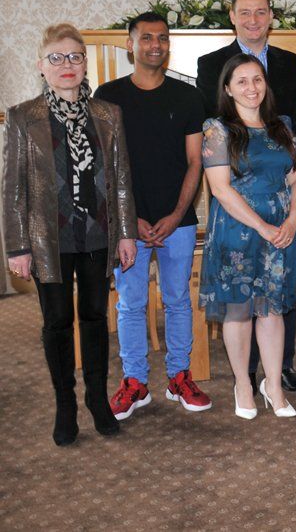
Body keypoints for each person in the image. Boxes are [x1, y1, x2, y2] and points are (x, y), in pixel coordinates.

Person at [4, 23, 138, 445]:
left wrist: (126, 233)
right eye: (57, 58)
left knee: (97, 319)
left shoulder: (107, 114)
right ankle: (65, 404)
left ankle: (98, 400)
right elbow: (13, 187)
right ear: (42, 66)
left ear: (84, 64)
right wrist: (18, 245)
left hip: (99, 236)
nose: (67, 65)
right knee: (57, 322)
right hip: (49, 240)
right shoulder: (24, 117)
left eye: (75, 57)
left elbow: (120, 180)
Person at [94, 12, 212, 420]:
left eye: (162, 38)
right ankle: (135, 382)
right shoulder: (107, 96)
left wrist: (177, 214)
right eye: (146, 38)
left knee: (179, 301)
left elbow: (195, 162)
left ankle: (179, 375)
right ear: (131, 44)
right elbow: (104, 168)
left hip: (176, 220)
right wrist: (131, 220)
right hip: (128, 225)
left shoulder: (187, 97)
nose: (155, 45)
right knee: (131, 303)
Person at [196, 0, 296, 393]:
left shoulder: (291, 65)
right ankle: (245, 378)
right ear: (232, 15)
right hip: (238, 198)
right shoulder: (211, 65)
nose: (253, 19)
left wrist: (291, 203)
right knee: (241, 306)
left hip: (281, 196)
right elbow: (216, 150)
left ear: (271, 17)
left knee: (276, 303)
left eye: (261, 12)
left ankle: (278, 372)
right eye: (245, 12)